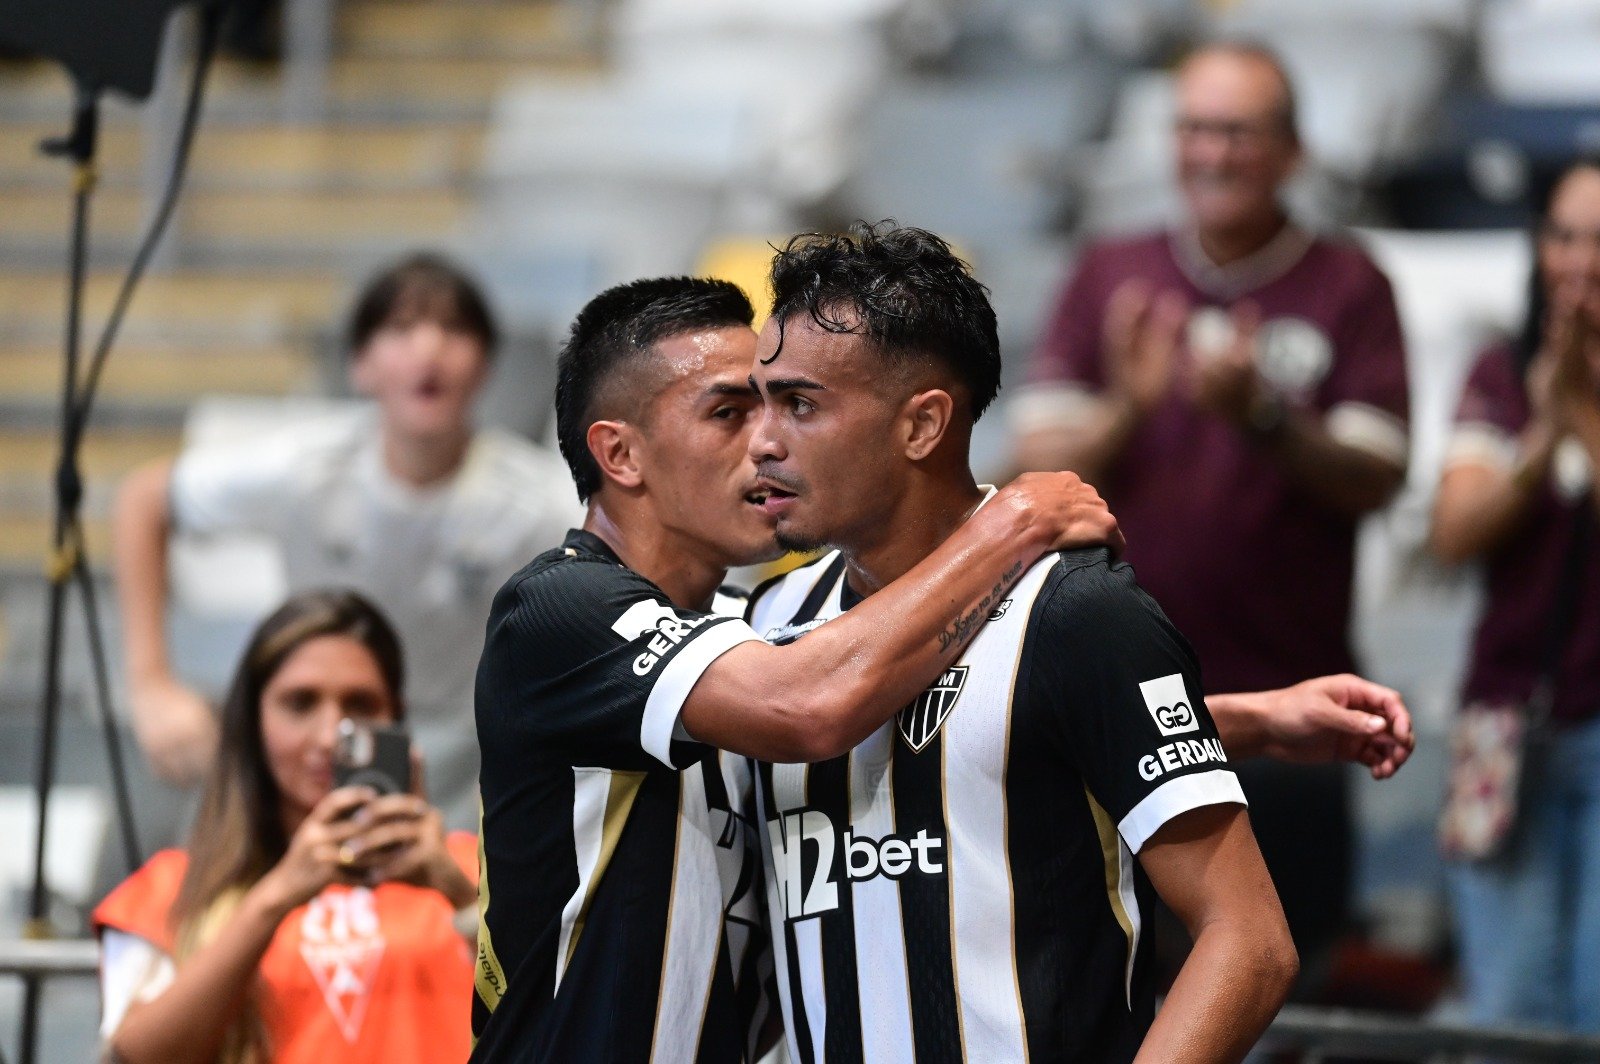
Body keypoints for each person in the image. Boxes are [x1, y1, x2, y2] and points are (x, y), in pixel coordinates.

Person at [744, 221, 1415, 1062]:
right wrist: (1246, 718)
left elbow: (1248, 944)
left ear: (921, 427)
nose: (761, 440)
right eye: (756, 402)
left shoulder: (1079, 612)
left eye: (799, 404)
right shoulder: (765, 628)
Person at [470, 276, 1125, 1061]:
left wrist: (1206, 715)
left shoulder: (741, 632)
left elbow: (962, 723)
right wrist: (1012, 522)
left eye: (784, 406)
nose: (769, 441)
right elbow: (808, 710)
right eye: (729, 412)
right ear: (619, 452)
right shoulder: (558, 611)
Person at [1009, 41, 1411, 976]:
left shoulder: (1349, 283)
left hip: (1293, 714)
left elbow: (1378, 474)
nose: (1212, 153)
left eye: (1238, 131)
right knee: (1114, 988)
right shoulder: (1113, 269)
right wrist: (1132, 407)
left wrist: (1263, 413)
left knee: (1285, 989)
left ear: (1291, 151)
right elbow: (1035, 460)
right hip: (1113, 714)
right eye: (1194, 128)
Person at [114, 252, 580, 830]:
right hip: (313, 742)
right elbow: (145, 499)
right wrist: (151, 685)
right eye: (402, 328)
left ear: (485, 366)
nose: (429, 349)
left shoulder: (535, 504)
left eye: (455, 329)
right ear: (360, 364)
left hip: (461, 757)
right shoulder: (305, 468)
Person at [94, 589, 479, 1064]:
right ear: (254, 723)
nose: (329, 735)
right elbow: (132, 1059)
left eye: (361, 705)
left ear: (395, 718)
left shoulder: (471, 870)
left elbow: (566, 1014)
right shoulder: (172, 888)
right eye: (300, 703)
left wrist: (456, 891)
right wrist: (275, 897)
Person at [1431, 157, 1600, 1032]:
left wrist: (1587, 418)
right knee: (1513, 1013)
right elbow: (1454, 532)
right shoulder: (1502, 373)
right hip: (1508, 724)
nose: (1581, 260)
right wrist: (1544, 432)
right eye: (1566, 234)